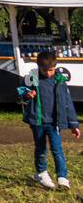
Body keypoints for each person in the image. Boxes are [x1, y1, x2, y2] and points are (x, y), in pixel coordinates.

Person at [19, 47, 80, 189]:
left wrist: (74, 124)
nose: (48, 73)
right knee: (40, 149)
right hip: (38, 121)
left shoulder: (60, 79)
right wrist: (27, 94)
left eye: (51, 70)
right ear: (38, 67)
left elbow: (67, 103)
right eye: (45, 70)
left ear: (55, 67)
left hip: (55, 123)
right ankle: (41, 173)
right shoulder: (32, 77)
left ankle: (62, 177)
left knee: (57, 149)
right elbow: (21, 90)